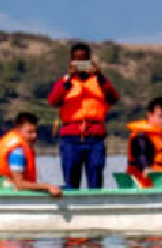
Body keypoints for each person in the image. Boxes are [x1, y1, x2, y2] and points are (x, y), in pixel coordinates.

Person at [48, 42, 119, 190]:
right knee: (71, 175)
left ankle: (95, 208)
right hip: (71, 136)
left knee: (96, 171)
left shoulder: (99, 81)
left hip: (94, 136)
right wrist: (68, 78)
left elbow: (113, 98)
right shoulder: (65, 82)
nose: (80, 64)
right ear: (71, 61)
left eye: (83, 60)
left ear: (90, 60)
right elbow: (53, 100)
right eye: (77, 60)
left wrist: (99, 75)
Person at [0, 112, 62, 196]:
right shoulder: (17, 151)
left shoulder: (12, 141)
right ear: (18, 129)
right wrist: (48, 186)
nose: (34, 135)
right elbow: (19, 184)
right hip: (9, 192)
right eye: (30, 132)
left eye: (35, 131)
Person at [126, 96, 162, 188]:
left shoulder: (161, 136)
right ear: (150, 115)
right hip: (146, 184)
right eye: (160, 116)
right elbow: (141, 155)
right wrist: (146, 169)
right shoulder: (141, 135)